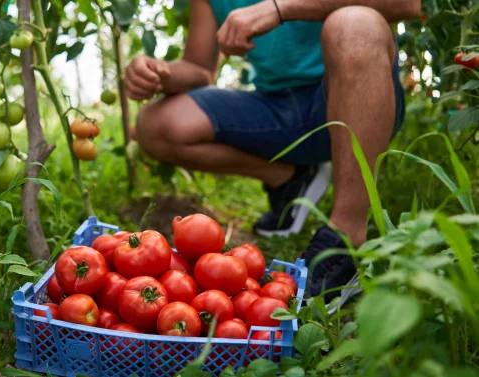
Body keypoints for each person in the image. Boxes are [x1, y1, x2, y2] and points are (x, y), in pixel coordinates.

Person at [125, 0, 420, 305]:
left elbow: (407, 4)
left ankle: (347, 235)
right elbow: (199, 69)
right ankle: (291, 178)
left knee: (355, 23)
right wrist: (159, 73)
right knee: (156, 124)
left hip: (356, 95)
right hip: (276, 109)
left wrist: (280, 8)